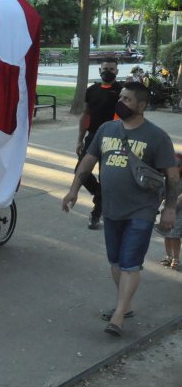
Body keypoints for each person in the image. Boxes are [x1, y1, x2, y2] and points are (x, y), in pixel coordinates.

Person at [62, 81, 178, 337]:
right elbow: (87, 163)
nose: (121, 103)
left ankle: (118, 315)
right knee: (115, 261)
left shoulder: (156, 136)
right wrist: (73, 190)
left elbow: (172, 176)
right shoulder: (106, 129)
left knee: (130, 263)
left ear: (142, 106)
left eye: (127, 99)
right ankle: (126, 305)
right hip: (112, 207)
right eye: (121, 98)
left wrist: (169, 208)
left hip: (142, 210)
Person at [76, 59, 124, 230]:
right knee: (80, 171)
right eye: (105, 68)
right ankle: (99, 194)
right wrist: (80, 139)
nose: (108, 71)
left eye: (111, 69)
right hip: (93, 136)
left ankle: (96, 213)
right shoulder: (92, 90)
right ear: (99, 70)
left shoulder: (122, 91)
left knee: (107, 177)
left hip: (114, 139)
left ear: (117, 71)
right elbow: (85, 114)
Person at [156, 154, 182, 270]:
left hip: (179, 213)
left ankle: (176, 258)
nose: (175, 168)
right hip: (167, 211)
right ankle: (168, 255)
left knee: (175, 236)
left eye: (179, 166)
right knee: (167, 235)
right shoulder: (166, 179)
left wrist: (177, 200)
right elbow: (161, 193)